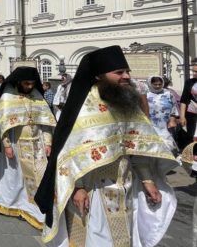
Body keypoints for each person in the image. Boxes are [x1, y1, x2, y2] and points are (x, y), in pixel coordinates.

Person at [35, 46, 178, 247]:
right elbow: (71, 153)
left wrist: (147, 180)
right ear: (99, 76)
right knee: (94, 236)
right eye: (119, 72)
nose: (127, 76)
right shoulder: (85, 105)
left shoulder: (126, 101)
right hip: (93, 188)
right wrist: (78, 188)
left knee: (124, 235)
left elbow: (139, 146)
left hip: (125, 182)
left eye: (127, 71)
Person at [0, 66, 56, 229]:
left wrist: (48, 142)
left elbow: (46, 123)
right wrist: (7, 146)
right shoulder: (8, 96)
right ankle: (10, 204)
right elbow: (2, 124)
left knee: (39, 176)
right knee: (14, 178)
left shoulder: (38, 96)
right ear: (18, 82)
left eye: (32, 83)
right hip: (17, 144)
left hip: (37, 144)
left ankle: (33, 208)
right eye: (26, 84)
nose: (30, 87)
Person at [147, 75, 179, 154]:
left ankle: (166, 160)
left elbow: (174, 107)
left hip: (165, 123)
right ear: (150, 84)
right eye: (155, 84)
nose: (158, 86)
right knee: (153, 143)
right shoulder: (145, 94)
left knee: (167, 142)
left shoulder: (168, 93)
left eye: (160, 84)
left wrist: (172, 120)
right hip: (150, 122)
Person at [179, 61, 197, 150]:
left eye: (196, 72)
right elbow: (184, 100)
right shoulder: (189, 82)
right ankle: (192, 154)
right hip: (191, 114)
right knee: (191, 136)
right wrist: (182, 116)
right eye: (193, 71)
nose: (194, 74)